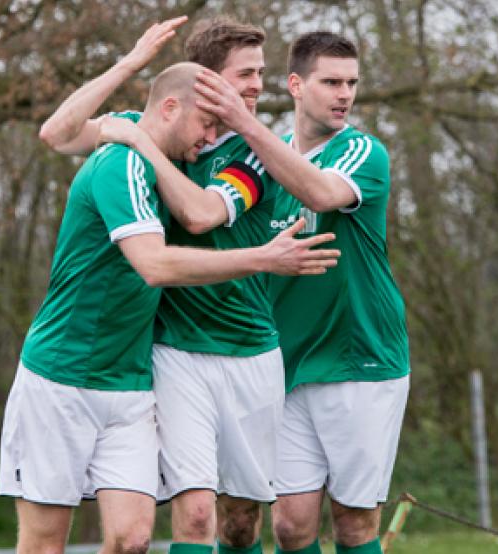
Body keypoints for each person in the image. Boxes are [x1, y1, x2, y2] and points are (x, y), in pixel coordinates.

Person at [0, 60, 340, 554]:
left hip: (132, 385)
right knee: (44, 545)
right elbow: (154, 264)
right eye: (205, 125)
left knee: (133, 539)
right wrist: (264, 259)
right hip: (60, 379)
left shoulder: (165, 162)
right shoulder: (119, 162)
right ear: (171, 107)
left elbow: (201, 208)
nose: (208, 139)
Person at [193, 32, 411, 554]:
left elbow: (319, 191)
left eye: (352, 83)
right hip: (285, 365)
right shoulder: (256, 157)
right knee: (290, 527)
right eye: (331, 82)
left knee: (354, 523)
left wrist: (246, 123)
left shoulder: (362, 150)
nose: (344, 94)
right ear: (295, 84)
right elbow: (206, 211)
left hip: (359, 360)